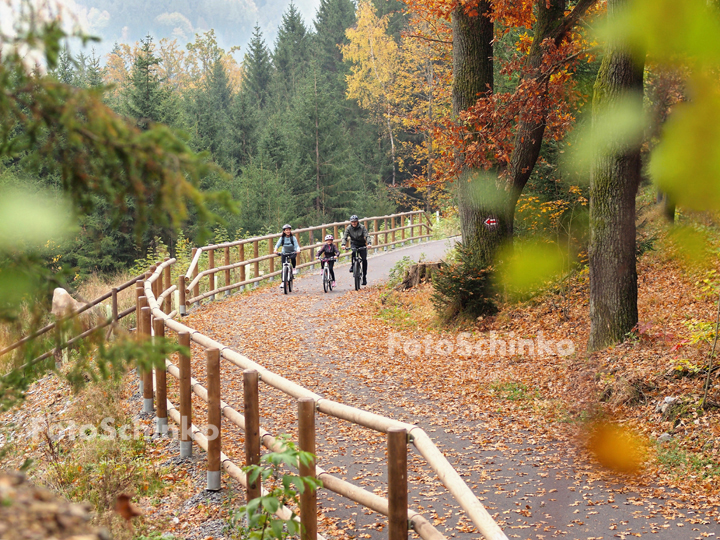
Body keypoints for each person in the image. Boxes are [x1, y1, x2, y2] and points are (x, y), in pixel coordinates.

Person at [342, 215, 370, 286]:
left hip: (362, 244)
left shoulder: (362, 227)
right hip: (354, 243)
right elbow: (345, 236)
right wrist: (343, 244)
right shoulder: (349, 228)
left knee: (364, 260)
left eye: (355, 222)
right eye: (352, 222)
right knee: (353, 252)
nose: (353, 223)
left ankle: (364, 277)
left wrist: (369, 243)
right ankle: (352, 265)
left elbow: (367, 235)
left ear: (357, 221)